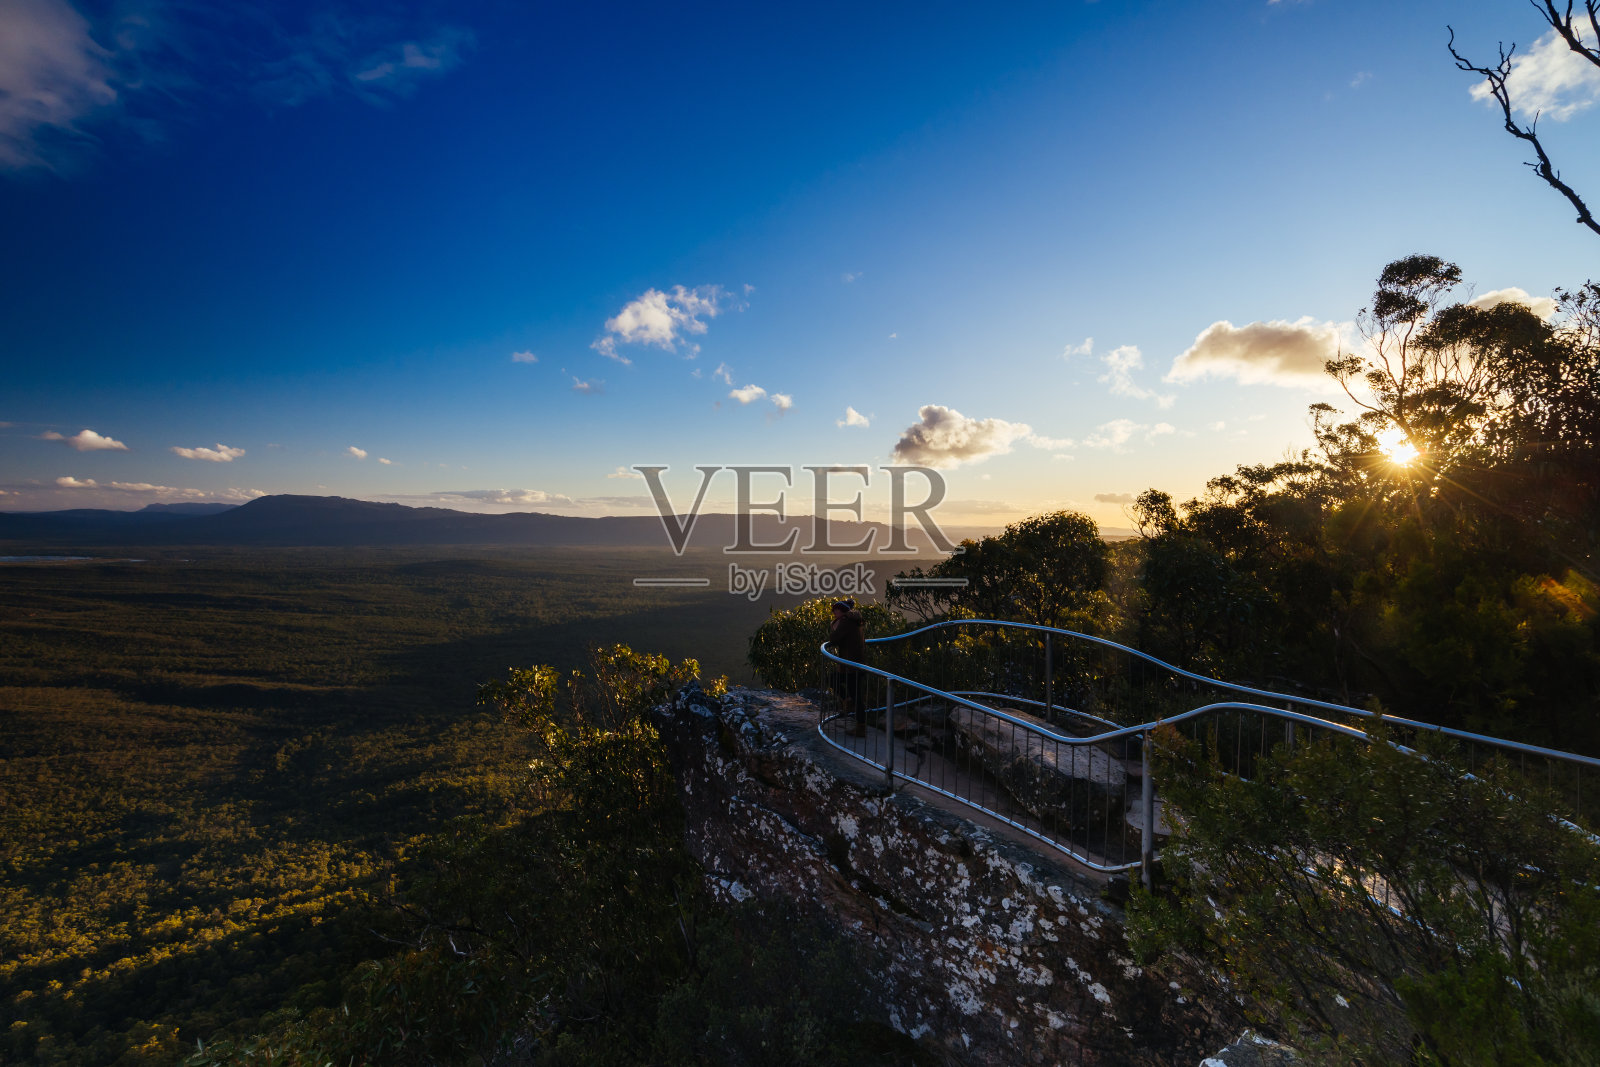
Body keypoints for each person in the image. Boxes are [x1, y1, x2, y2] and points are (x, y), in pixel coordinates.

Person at [827, 599, 869, 736]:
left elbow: (834, 638)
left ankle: (861, 726)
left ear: (842, 611)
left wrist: (835, 625)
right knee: (835, 680)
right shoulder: (854, 620)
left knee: (856, 696)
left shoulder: (845, 622)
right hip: (855, 663)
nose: (833, 612)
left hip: (851, 665)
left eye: (835, 610)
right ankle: (847, 701)